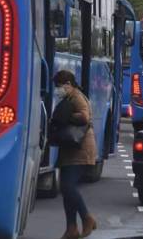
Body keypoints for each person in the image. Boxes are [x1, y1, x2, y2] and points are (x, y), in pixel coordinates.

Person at [52, 70, 97, 239]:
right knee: (66, 187)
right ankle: (71, 228)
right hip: (70, 148)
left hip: (80, 148)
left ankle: (87, 218)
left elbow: (84, 117)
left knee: (68, 186)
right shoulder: (69, 97)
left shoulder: (77, 97)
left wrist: (66, 116)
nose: (58, 90)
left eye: (59, 86)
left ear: (68, 84)